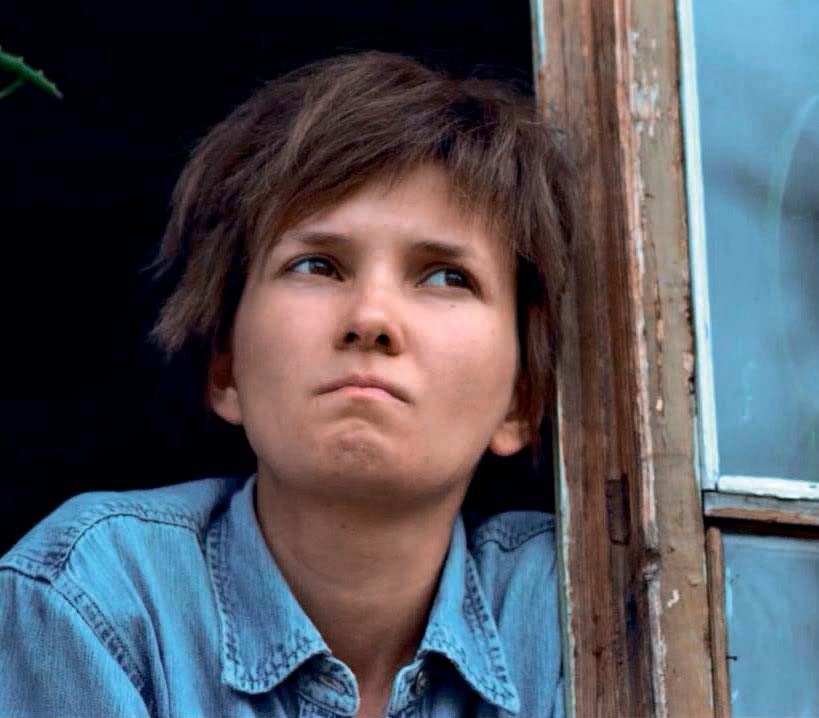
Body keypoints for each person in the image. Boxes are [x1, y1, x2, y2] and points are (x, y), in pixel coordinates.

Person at [0, 51, 575, 717]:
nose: (370, 319)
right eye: (317, 265)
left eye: (447, 276)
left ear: (521, 400)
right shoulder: (97, 596)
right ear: (226, 367)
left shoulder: (577, 606)